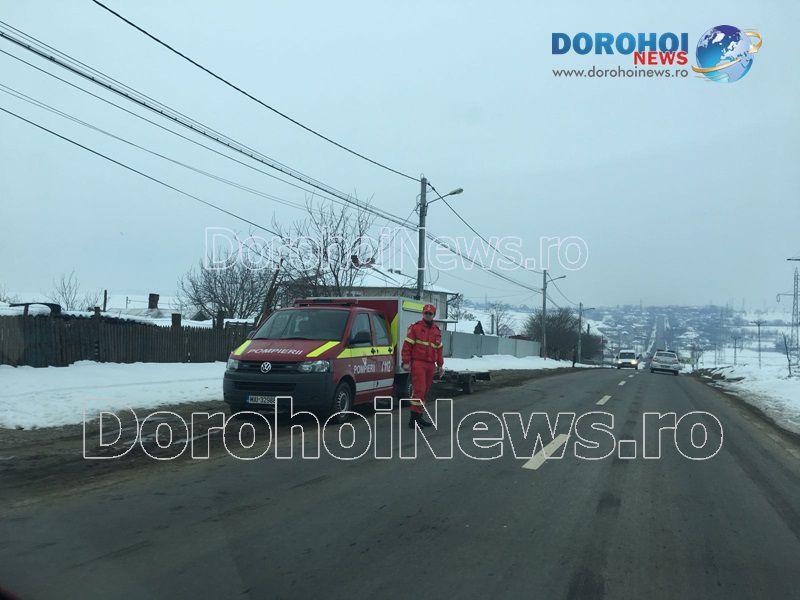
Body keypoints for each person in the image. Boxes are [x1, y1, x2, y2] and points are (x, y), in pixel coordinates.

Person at [401, 304, 444, 428]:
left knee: (424, 391)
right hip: (418, 363)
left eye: (430, 314)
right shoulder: (416, 328)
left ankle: (419, 417)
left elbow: (439, 349)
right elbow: (407, 346)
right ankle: (413, 420)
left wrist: (440, 365)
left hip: (430, 365)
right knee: (419, 390)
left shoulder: (436, 330)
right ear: (423, 314)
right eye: (426, 313)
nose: (428, 315)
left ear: (433, 315)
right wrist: (406, 361)